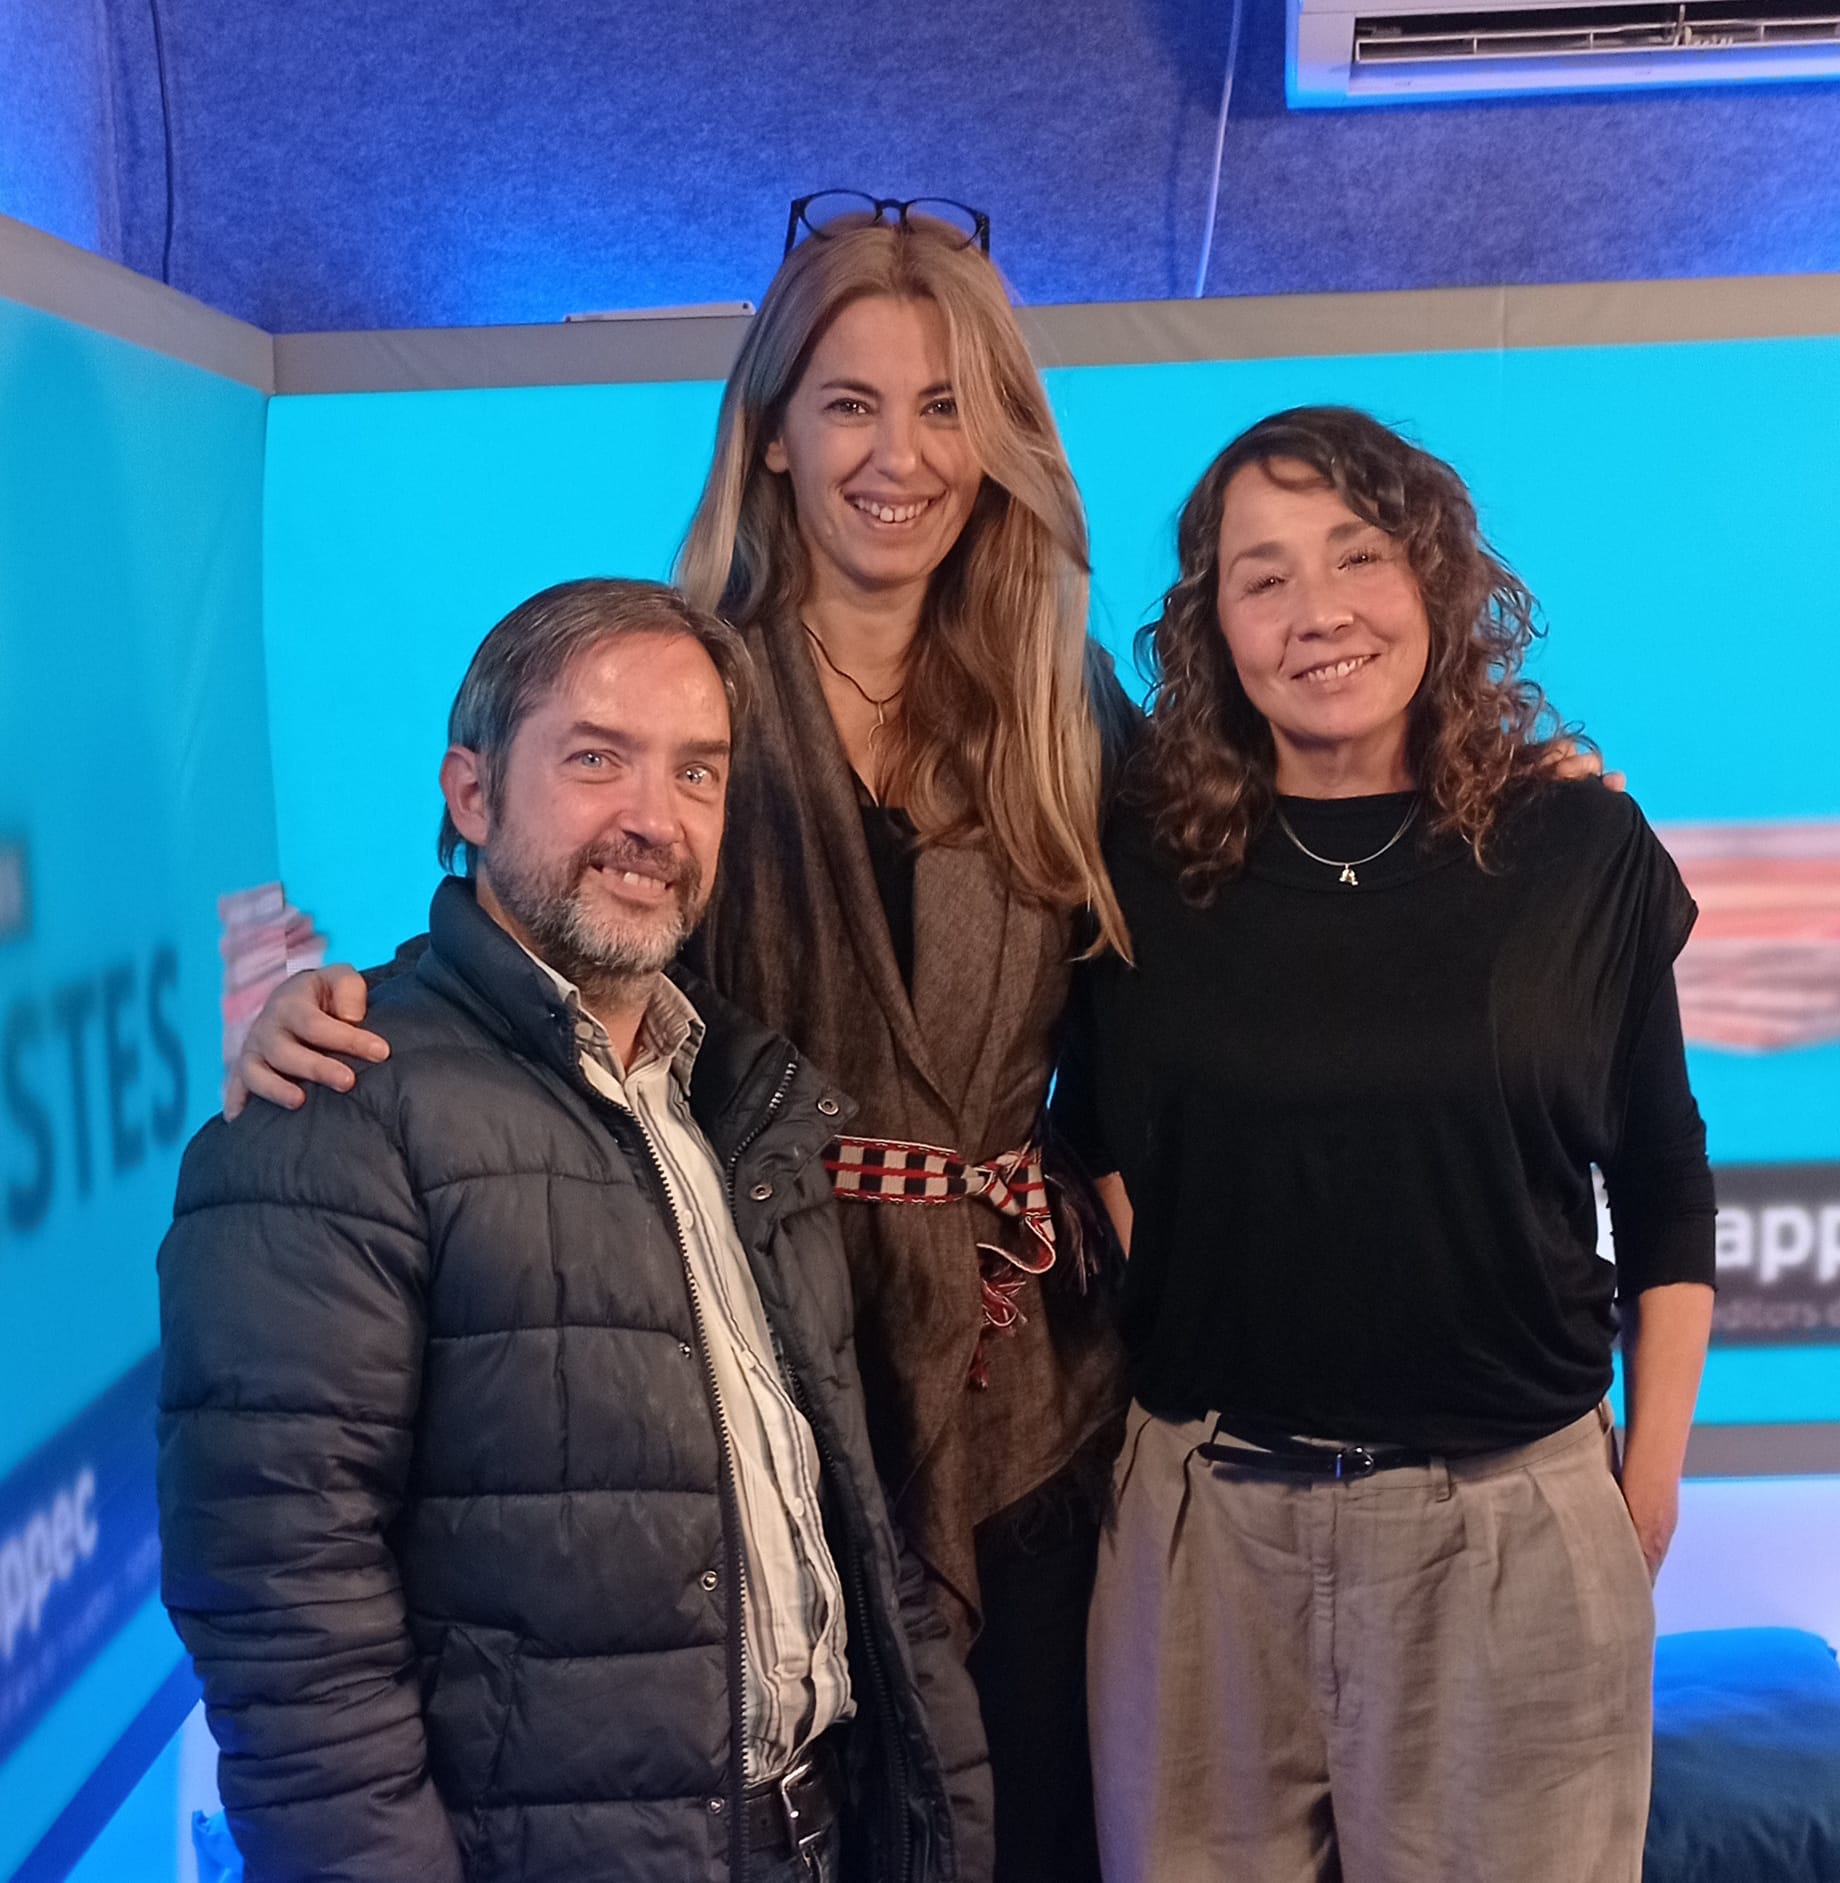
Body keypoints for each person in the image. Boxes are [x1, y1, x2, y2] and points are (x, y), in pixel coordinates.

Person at [213, 207, 1127, 1883]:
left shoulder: (1063, 704)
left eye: (945, 407)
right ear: (771, 431)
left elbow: (1201, 984)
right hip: (737, 1368)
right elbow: (540, 938)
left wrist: (1500, 796)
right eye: (850, 404)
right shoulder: (684, 689)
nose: (901, 456)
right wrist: (319, 1012)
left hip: (1024, 1409)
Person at [157, 579, 989, 1883]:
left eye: (697, 773)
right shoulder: (335, 1106)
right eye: (597, 759)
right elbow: (287, 1625)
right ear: (472, 794)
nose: (654, 819)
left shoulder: (742, 1101)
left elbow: (846, 1518)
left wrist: (952, 1817)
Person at [1053, 406, 1717, 1883]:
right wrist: (1230, 1293)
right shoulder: (1138, 870)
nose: (1319, 611)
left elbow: (1665, 1176)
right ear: (1211, 628)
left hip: (1512, 1531)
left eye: (1358, 555)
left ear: (1434, 578)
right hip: (1206, 1540)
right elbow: (1084, 1131)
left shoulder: (1576, 849)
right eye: (1263, 576)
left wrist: (1653, 1474)